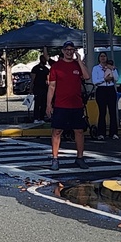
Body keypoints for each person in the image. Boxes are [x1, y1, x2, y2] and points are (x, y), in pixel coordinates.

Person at [45, 40, 90, 171]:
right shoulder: (56, 66)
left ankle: (80, 158)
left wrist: (80, 61)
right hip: (61, 104)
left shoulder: (77, 65)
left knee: (79, 131)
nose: (69, 52)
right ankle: (55, 158)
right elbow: (52, 86)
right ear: (63, 51)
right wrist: (48, 104)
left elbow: (87, 76)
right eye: (67, 50)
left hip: (76, 104)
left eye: (71, 50)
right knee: (57, 131)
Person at [92, 53, 121, 140]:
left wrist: (112, 70)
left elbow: (116, 78)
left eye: (104, 56)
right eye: (101, 56)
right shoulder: (96, 68)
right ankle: (101, 133)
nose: (103, 58)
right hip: (101, 89)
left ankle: (114, 133)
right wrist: (104, 79)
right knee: (102, 112)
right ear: (99, 58)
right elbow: (95, 81)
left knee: (112, 112)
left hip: (110, 89)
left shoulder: (111, 67)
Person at [29, 52, 51, 126]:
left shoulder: (46, 69)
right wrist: (31, 88)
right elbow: (32, 79)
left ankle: (42, 118)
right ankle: (36, 118)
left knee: (43, 104)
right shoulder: (35, 68)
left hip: (44, 88)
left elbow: (48, 79)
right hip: (37, 88)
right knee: (37, 103)